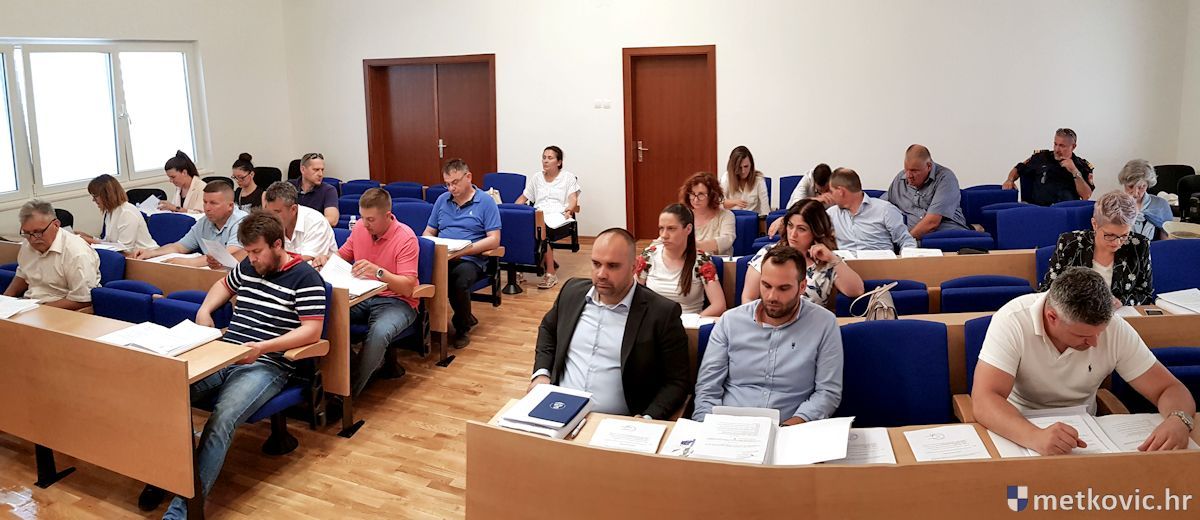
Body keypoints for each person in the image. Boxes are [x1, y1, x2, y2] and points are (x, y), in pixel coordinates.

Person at [157, 210, 327, 519]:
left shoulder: (305, 277)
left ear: (278, 245)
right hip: (226, 351)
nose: (252, 259)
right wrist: (205, 311)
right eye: (248, 252)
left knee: (222, 418)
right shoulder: (248, 266)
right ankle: (165, 476)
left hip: (267, 362)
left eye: (257, 251)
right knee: (165, 396)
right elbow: (224, 285)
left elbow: (311, 331)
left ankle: (183, 510)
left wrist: (263, 347)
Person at [973, 267, 1195, 456]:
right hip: (1018, 426)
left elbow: (1169, 388)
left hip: (1087, 432)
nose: (1095, 343)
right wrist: (1034, 436)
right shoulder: (1012, 321)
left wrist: (1179, 419)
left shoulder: (1114, 328)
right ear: (1052, 317)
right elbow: (985, 399)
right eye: (1083, 335)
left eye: (1100, 332)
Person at [528, 228, 689, 419]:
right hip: (557, 410)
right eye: (596, 264)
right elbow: (548, 329)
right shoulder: (571, 292)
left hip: (617, 422)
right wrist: (542, 373)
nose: (601, 274)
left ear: (634, 266)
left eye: (612, 266)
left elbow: (677, 381)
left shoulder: (661, 313)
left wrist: (648, 418)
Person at [693, 245, 843, 423]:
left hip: (791, 427)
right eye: (766, 285)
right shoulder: (730, 321)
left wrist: (790, 426)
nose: (772, 296)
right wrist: (705, 428)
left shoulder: (824, 323)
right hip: (730, 426)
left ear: (802, 286)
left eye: (783, 288)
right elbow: (707, 390)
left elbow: (827, 393)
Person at [333, 187, 420, 395]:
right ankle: (340, 376)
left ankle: (347, 394)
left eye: (370, 219)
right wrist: (326, 260)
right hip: (362, 296)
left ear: (388, 216)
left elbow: (408, 287)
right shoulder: (360, 229)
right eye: (362, 217)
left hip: (397, 301)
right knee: (328, 315)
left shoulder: (406, 238)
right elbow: (342, 256)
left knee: (379, 332)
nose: (365, 224)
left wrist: (379, 273)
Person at [423, 158, 501, 348]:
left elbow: (494, 239)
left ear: (468, 177)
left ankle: (462, 327)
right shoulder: (442, 200)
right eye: (447, 184)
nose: (451, 188)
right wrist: (430, 245)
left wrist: (465, 250)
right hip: (444, 256)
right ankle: (427, 326)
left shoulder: (485, 202)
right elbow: (428, 232)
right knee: (423, 274)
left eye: (455, 182)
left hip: (471, 258)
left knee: (458, 280)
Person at [1038, 190, 1153, 307]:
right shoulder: (1070, 243)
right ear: (1095, 224)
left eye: (1124, 235)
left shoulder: (1139, 245)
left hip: (1120, 314)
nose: (1117, 242)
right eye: (1110, 235)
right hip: (1074, 313)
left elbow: (1145, 293)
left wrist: (1122, 301)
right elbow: (1048, 290)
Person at [742, 199, 864, 306]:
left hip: (812, 322)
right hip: (771, 320)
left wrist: (833, 259)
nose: (793, 234)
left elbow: (857, 291)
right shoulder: (768, 253)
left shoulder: (826, 260)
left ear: (816, 231)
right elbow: (748, 299)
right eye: (790, 226)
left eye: (801, 229)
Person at [3, 200, 100, 310]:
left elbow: (83, 300)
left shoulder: (77, 252)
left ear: (56, 225)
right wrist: (5, 301)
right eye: (27, 233)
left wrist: (37, 310)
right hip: (32, 305)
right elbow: (22, 275)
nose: (33, 239)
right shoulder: (27, 244)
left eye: (38, 232)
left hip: (64, 310)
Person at [634, 204, 726, 317]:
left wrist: (695, 320)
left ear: (688, 229)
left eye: (671, 229)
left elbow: (719, 305)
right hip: (654, 322)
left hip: (687, 323)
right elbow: (633, 296)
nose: (664, 235)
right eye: (661, 228)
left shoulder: (702, 261)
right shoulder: (648, 255)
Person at [131, 182, 249, 269]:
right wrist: (152, 252)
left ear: (230, 206)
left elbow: (226, 255)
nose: (207, 208)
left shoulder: (243, 222)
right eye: (205, 202)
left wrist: (189, 262)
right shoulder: (204, 222)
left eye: (213, 203)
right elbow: (179, 247)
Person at [515, 145, 580, 290]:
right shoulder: (537, 177)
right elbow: (523, 198)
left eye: (550, 158)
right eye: (544, 157)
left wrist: (569, 209)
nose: (545, 161)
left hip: (558, 216)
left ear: (559, 162)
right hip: (538, 214)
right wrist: (513, 211)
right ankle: (518, 270)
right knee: (519, 228)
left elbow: (573, 199)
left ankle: (551, 274)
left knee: (542, 231)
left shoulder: (568, 177)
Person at [880, 144, 968, 239]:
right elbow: (880, 207)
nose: (909, 176)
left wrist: (906, 242)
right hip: (912, 238)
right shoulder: (900, 179)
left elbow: (932, 223)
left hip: (944, 236)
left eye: (914, 171)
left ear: (929, 166)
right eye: (906, 169)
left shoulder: (945, 178)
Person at [825, 167, 917, 251]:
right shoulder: (831, 214)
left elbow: (907, 241)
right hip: (843, 263)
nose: (830, 195)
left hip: (878, 262)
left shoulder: (885, 210)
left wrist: (905, 261)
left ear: (840, 191)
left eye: (831, 191)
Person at [1002, 128, 1095, 206]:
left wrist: (1074, 171)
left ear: (1073, 147)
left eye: (1062, 146)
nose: (1057, 149)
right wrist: (1010, 179)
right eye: (1055, 144)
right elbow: (1018, 168)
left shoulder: (1081, 165)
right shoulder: (1041, 157)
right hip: (1040, 210)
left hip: (1066, 212)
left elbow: (1086, 196)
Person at [261, 181, 336, 263]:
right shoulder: (269, 222)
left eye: (277, 212)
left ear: (293, 209)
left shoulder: (316, 222)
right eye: (269, 212)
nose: (271, 217)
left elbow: (306, 261)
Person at [78, 174, 158, 250]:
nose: (93, 200)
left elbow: (124, 249)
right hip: (133, 255)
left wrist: (90, 240)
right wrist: (88, 237)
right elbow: (109, 242)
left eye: (95, 196)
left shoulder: (127, 213)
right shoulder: (110, 212)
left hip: (146, 255)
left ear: (107, 195)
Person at [680, 172, 735, 256]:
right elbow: (663, 241)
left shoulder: (726, 215)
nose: (695, 199)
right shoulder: (683, 216)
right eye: (692, 194)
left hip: (717, 262)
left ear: (712, 196)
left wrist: (693, 246)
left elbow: (727, 240)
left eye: (701, 195)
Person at [773, 163, 834, 236]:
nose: (823, 193)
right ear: (814, 181)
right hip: (799, 215)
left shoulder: (835, 183)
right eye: (819, 190)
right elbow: (796, 204)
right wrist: (817, 200)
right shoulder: (806, 180)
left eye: (826, 190)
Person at [1118, 159, 1172, 241]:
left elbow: (1165, 243)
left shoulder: (1161, 205)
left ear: (1148, 185)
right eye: (1131, 186)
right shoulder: (1114, 204)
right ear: (1124, 183)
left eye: (1141, 187)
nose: (1135, 193)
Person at [289, 152, 339, 227]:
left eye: (322, 170)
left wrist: (303, 225)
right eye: (316, 170)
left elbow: (332, 220)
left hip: (315, 231)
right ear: (303, 169)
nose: (320, 174)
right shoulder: (289, 186)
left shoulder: (329, 190)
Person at [720, 145, 771, 215]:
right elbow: (719, 204)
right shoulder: (726, 177)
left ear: (751, 165)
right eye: (739, 167)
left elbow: (765, 211)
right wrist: (734, 202)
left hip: (753, 219)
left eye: (746, 166)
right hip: (731, 219)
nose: (743, 171)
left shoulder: (759, 180)